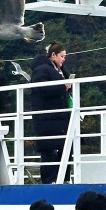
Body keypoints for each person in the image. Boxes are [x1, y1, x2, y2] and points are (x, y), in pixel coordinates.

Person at [29, 41, 73, 185]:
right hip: (48, 117)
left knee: (64, 148)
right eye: (61, 56)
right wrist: (62, 87)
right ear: (53, 55)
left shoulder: (57, 70)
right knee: (50, 149)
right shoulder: (42, 69)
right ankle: (50, 180)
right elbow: (40, 89)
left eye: (64, 57)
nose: (63, 59)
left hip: (58, 117)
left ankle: (63, 179)